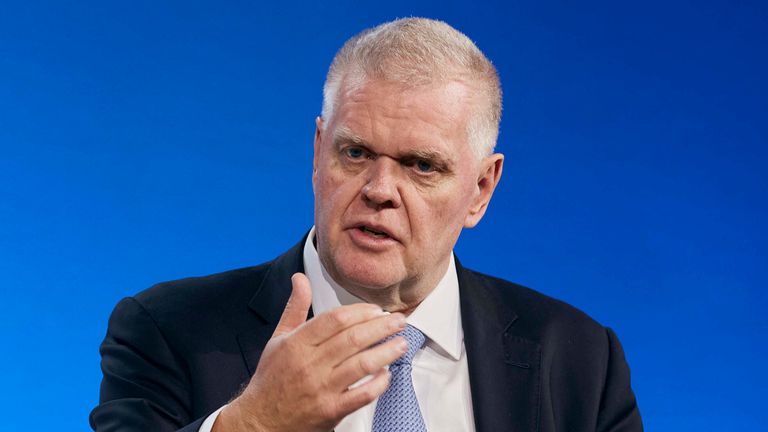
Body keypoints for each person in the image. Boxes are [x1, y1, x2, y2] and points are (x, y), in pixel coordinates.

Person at [91, 18, 642, 432]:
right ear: (317, 152)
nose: (379, 190)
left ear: (480, 190)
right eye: (354, 153)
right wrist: (253, 424)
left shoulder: (579, 360)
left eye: (422, 166)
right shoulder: (167, 329)